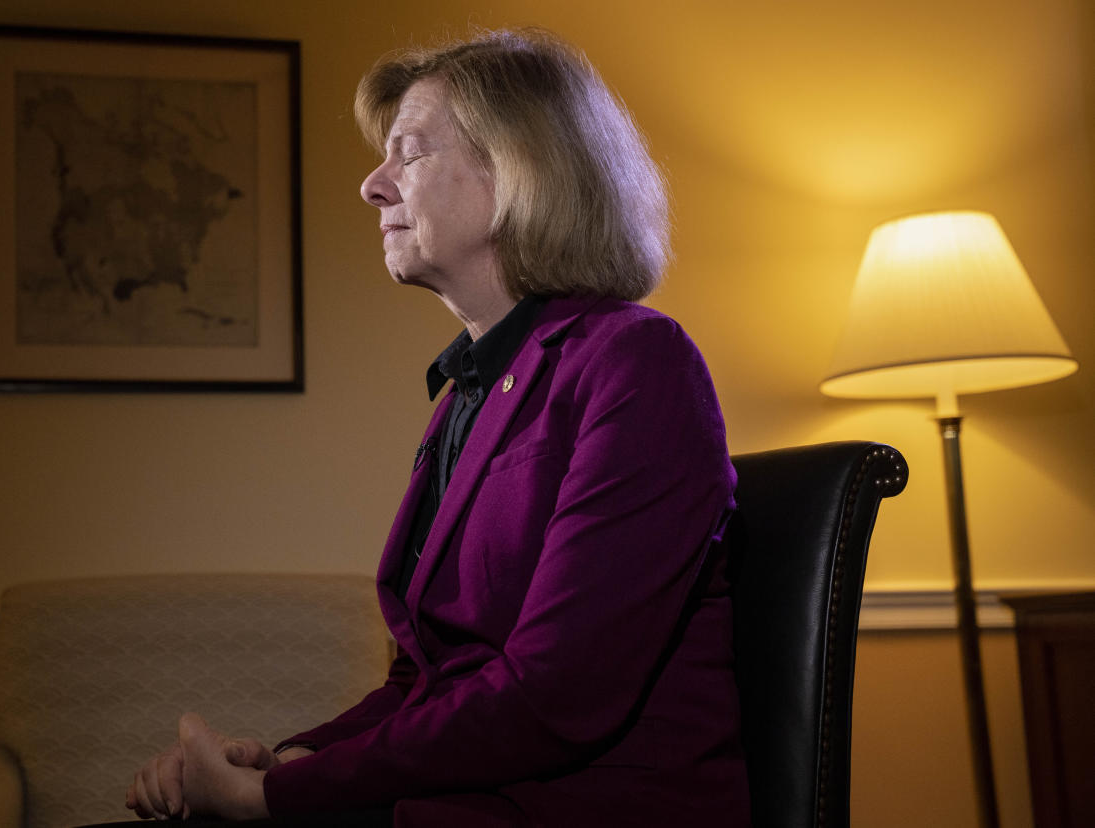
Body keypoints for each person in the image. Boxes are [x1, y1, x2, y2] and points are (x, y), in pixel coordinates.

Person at [122, 27, 748, 827]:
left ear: (522, 168)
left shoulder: (637, 361)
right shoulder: (466, 393)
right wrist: (295, 759)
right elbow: (425, 682)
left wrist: (275, 798)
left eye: (409, 153)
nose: (372, 187)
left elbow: (556, 692)